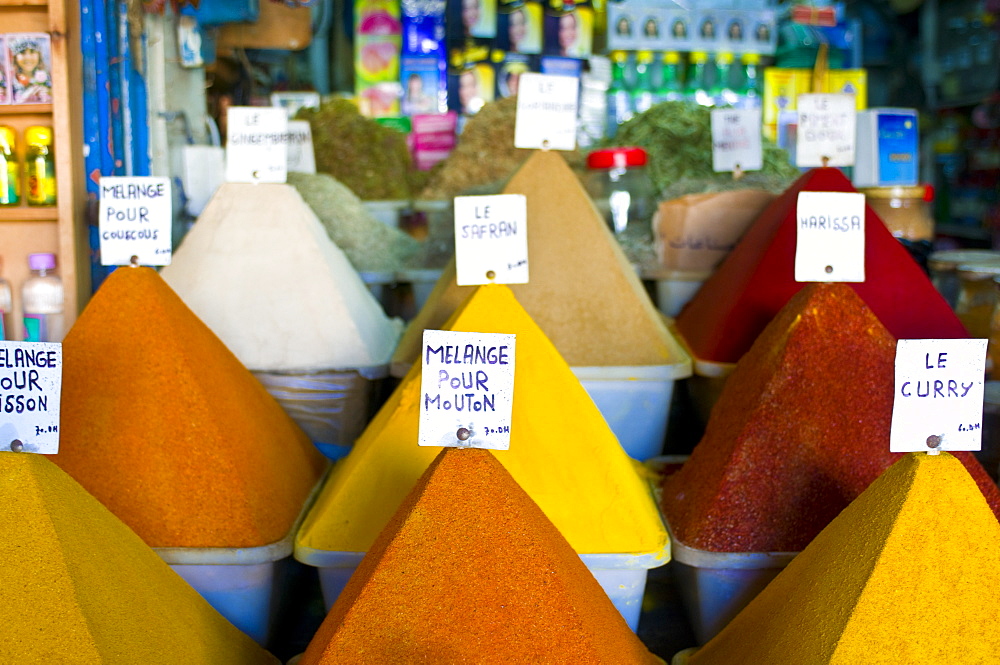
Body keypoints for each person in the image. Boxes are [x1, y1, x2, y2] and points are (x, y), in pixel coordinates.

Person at [11, 37, 52, 104]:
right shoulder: (10, 82)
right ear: (15, 58)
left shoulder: (50, 78)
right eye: (22, 52)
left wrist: (50, 93)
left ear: (39, 55)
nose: (28, 57)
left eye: (32, 52)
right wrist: (25, 98)